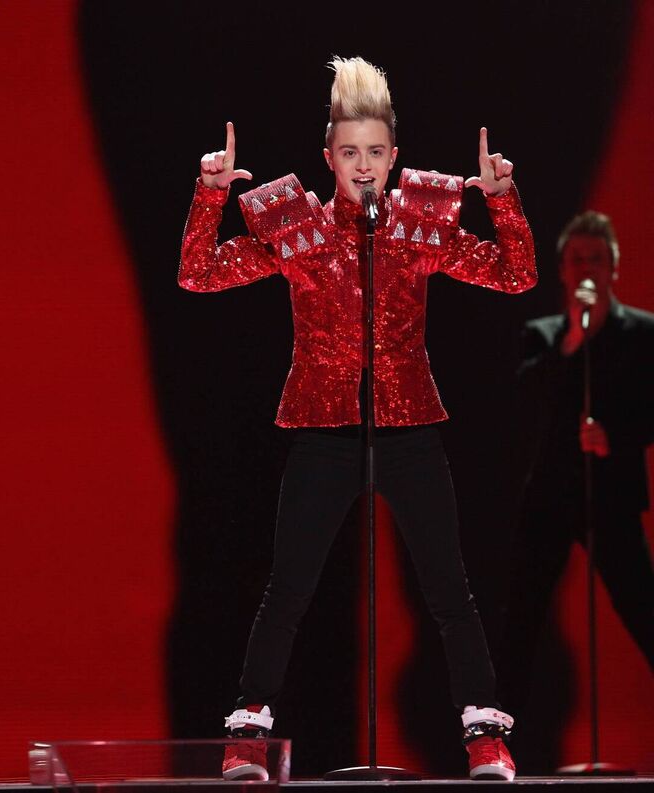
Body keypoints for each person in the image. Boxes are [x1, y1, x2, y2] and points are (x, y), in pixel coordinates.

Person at [178, 57, 535, 781]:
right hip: (324, 428)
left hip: (408, 426)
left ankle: (484, 740)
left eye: (375, 153)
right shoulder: (297, 225)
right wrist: (208, 194)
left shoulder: (417, 223)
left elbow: (515, 273)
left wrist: (502, 198)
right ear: (328, 158)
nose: (364, 167)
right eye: (350, 153)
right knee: (289, 589)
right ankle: (247, 739)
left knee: (448, 590)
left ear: (394, 155)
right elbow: (199, 272)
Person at [500, 212, 654, 721]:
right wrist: (572, 341)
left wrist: (617, 437)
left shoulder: (643, 333)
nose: (586, 268)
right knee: (519, 616)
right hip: (548, 494)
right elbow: (524, 401)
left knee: (640, 606)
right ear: (563, 271)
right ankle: (497, 740)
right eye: (576, 260)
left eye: (595, 259)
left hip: (611, 492)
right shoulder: (543, 336)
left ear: (612, 268)